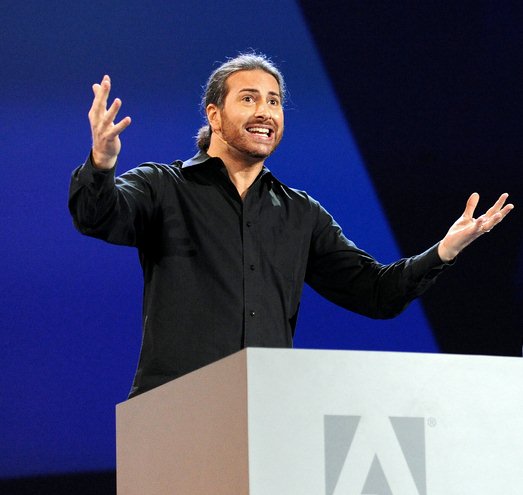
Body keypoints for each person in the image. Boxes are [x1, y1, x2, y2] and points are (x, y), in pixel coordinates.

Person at [69, 53, 513, 398]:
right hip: (175, 408)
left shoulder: (300, 213)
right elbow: (98, 216)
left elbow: (376, 292)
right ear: (214, 115)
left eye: (274, 101)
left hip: (267, 412)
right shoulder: (163, 186)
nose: (265, 111)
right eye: (248, 99)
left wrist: (443, 251)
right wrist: (101, 164)